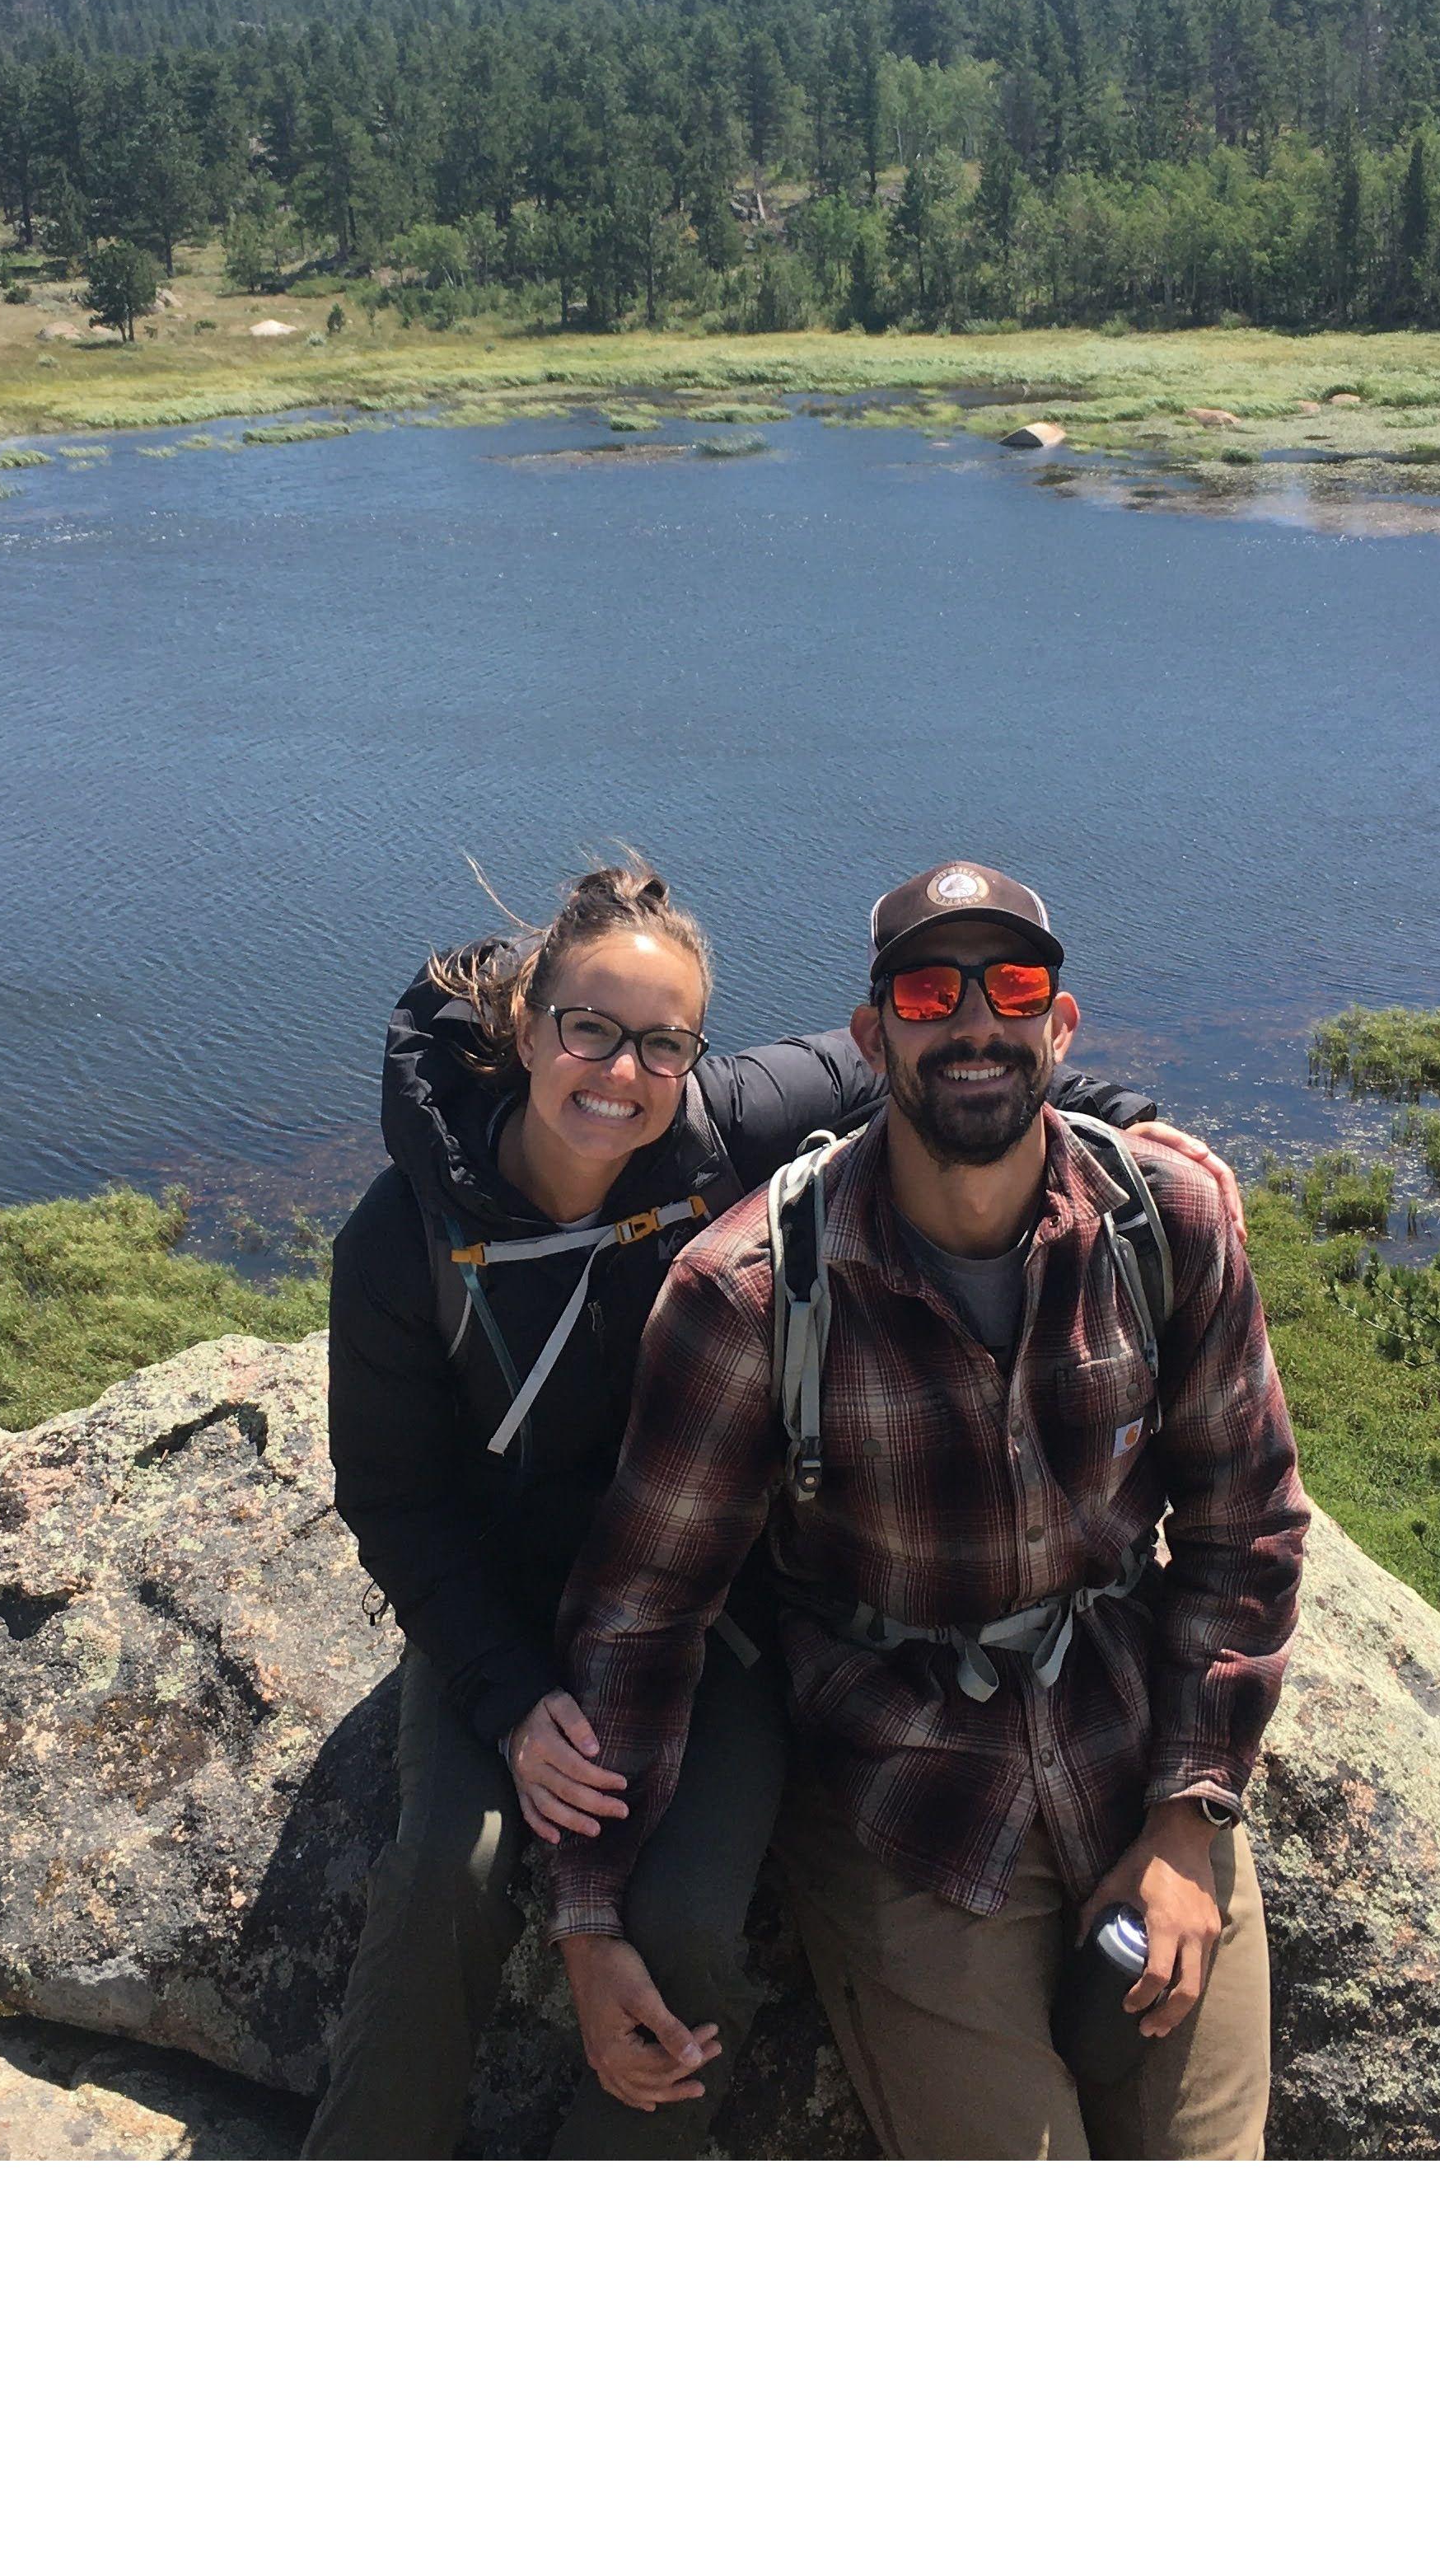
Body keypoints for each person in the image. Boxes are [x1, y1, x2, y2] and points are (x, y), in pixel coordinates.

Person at [306, 856, 1226, 2159]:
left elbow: (941, 1058)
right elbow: (395, 1502)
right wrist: (508, 1699)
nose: (622, 1075)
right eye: (590, 1031)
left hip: (705, 1603)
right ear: (528, 1026)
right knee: (449, 1876)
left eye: (662, 1045)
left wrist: (1126, 1120)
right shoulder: (404, 1238)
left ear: (694, 1055)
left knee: (690, 1923)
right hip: (502, 1611)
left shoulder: (712, 1130)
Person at [549, 859, 1311, 2161]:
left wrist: (1191, 1816)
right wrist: (588, 1921)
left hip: (1131, 1750)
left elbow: (1247, 1528)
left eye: (1010, 988)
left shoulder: (1165, 1225)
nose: (972, 1023)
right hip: (906, 1798)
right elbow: (645, 1611)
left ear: (1059, 1028)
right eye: (925, 993)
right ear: (871, 1037)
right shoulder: (750, 1294)